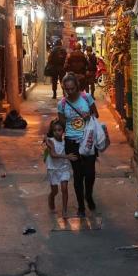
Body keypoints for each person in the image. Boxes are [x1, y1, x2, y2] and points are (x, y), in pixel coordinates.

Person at [56, 73, 99, 216]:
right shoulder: (62, 104)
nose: (70, 92)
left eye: (72, 88)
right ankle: (81, 206)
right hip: (71, 142)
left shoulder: (86, 98)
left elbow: (96, 114)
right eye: (67, 89)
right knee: (78, 175)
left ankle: (88, 195)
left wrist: (89, 116)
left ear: (77, 86)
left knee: (90, 173)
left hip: (88, 140)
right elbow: (62, 124)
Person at [45, 119, 77, 218]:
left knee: (64, 189)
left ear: (63, 131)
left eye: (59, 130)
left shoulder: (66, 142)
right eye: (55, 130)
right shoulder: (50, 141)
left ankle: (64, 210)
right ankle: (51, 197)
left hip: (64, 167)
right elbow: (53, 155)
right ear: (52, 131)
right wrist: (67, 156)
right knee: (55, 191)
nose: (57, 132)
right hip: (53, 169)